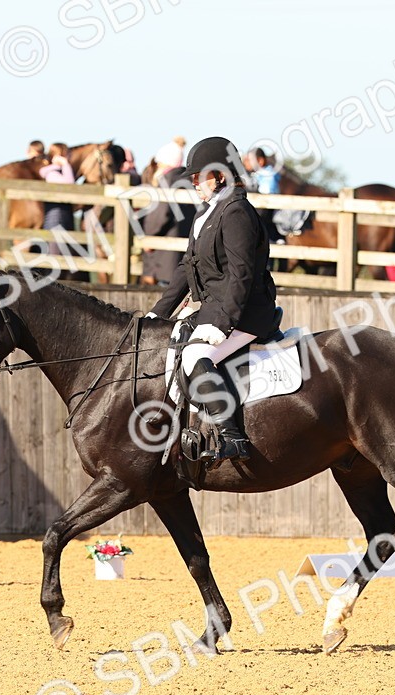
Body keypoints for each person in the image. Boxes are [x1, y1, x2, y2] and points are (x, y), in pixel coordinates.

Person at [145, 136, 278, 463]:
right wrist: (155, 316)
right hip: (215, 308)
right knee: (171, 341)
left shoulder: (236, 212)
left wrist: (223, 324)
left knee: (194, 357)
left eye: (198, 175)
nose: (193, 182)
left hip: (245, 312)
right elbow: (185, 268)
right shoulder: (207, 212)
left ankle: (233, 437)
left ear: (219, 175)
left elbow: (241, 275)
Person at [139, 164, 195, 285]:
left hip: (164, 260)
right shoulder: (189, 179)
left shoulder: (168, 179)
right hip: (184, 256)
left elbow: (160, 214)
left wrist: (149, 237)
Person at [38, 142, 76, 255]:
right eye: (66, 155)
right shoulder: (52, 174)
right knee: (55, 260)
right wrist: (65, 164)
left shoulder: (60, 172)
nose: (69, 158)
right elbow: (69, 184)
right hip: (55, 222)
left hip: (63, 220)